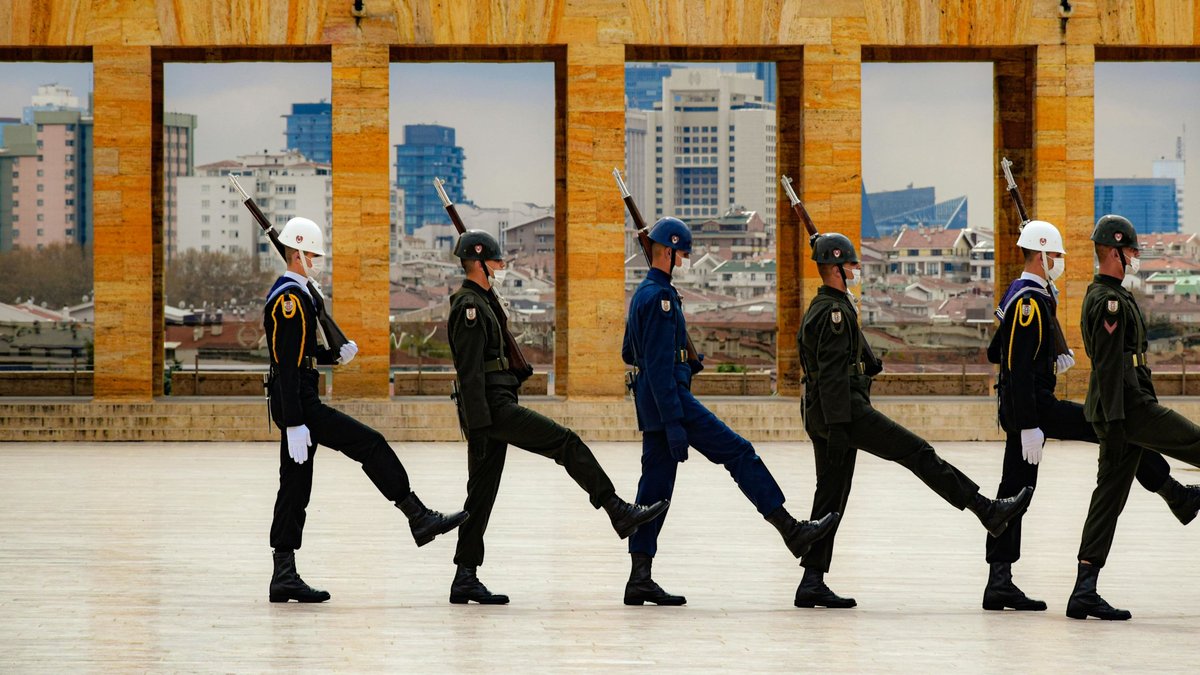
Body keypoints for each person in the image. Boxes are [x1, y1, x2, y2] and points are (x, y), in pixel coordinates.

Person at [797, 232, 1033, 609]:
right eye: (853, 265)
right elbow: (830, 377)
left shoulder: (832, 305)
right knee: (918, 452)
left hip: (828, 414)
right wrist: (841, 430)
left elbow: (843, 364)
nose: (858, 270)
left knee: (830, 496)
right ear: (837, 268)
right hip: (845, 413)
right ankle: (985, 508)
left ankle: (811, 581)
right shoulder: (834, 312)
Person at [622, 217, 839, 607]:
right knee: (739, 452)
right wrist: (675, 415)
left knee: (654, 491)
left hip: (655, 402)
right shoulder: (661, 298)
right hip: (672, 401)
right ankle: (790, 529)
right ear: (668, 252)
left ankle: (640, 577)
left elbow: (630, 353)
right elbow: (656, 366)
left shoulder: (643, 293)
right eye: (682, 255)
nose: (684, 262)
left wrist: (680, 364)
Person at [985, 219, 1200, 612]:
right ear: (1045, 254)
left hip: (1038, 405)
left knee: (1023, 488)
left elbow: (995, 349)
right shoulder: (1029, 301)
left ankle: (1001, 579)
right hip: (1032, 409)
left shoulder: (1032, 295)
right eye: (1058, 255)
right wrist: (1029, 425)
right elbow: (1012, 366)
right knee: (1018, 489)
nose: (1063, 262)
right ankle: (1174, 493)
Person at [447, 230, 670, 605]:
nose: (502, 267)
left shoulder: (483, 301)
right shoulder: (468, 306)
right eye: (497, 262)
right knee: (565, 442)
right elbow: (469, 373)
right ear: (481, 263)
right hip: (492, 410)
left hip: (495, 406)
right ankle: (616, 508)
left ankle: (464, 577)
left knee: (480, 496)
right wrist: (481, 426)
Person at [265, 216, 468, 603]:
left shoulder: (301, 293)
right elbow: (287, 364)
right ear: (295, 254)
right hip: (299, 403)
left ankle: (284, 574)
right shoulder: (289, 300)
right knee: (369, 444)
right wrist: (293, 422)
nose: (317, 260)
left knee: (294, 486)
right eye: (312, 254)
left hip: (300, 397)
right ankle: (418, 516)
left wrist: (331, 355)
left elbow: (301, 354)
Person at [1071, 214, 1200, 620]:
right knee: (1194, 443)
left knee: (1107, 500)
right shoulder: (1107, 300)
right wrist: (1116, 423)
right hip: (1128, 409)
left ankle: (1083, 591)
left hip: (1123, 409)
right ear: (1114, 252)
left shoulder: (1110, 295)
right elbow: (1110, 366)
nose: (1135, 257)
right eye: (1131, 251)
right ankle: (1181, 499)